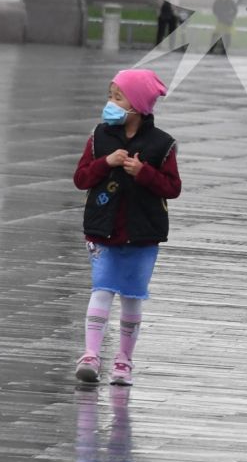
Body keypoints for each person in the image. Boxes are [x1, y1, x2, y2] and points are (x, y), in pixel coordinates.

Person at [71, 69, 182, 387]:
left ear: (136, 105)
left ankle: (123, 361)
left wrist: (143, 172)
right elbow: (81, 179)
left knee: (132, 297)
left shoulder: (162, 145)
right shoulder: (99, 137)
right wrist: (105, 163)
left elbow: (172, 187)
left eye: (117, 97)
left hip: (142, 234)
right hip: (102, 230)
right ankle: (91, 354)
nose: (111, 103)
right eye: (109, 95)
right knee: (101, 288)